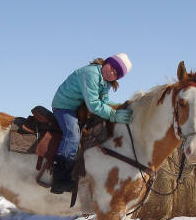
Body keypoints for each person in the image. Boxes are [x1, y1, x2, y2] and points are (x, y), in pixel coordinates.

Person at [50, 53, 133, 194]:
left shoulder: (105, 82)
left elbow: (105, 102)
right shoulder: (91, 73)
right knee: (72, 135)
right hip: (64, 106)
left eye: (116, 73)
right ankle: (59, 179)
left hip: (76, 106)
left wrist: (120, 106)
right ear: (106, 62)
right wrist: (114, 115)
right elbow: (94, 105)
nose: (111, 72)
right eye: (112, 67)